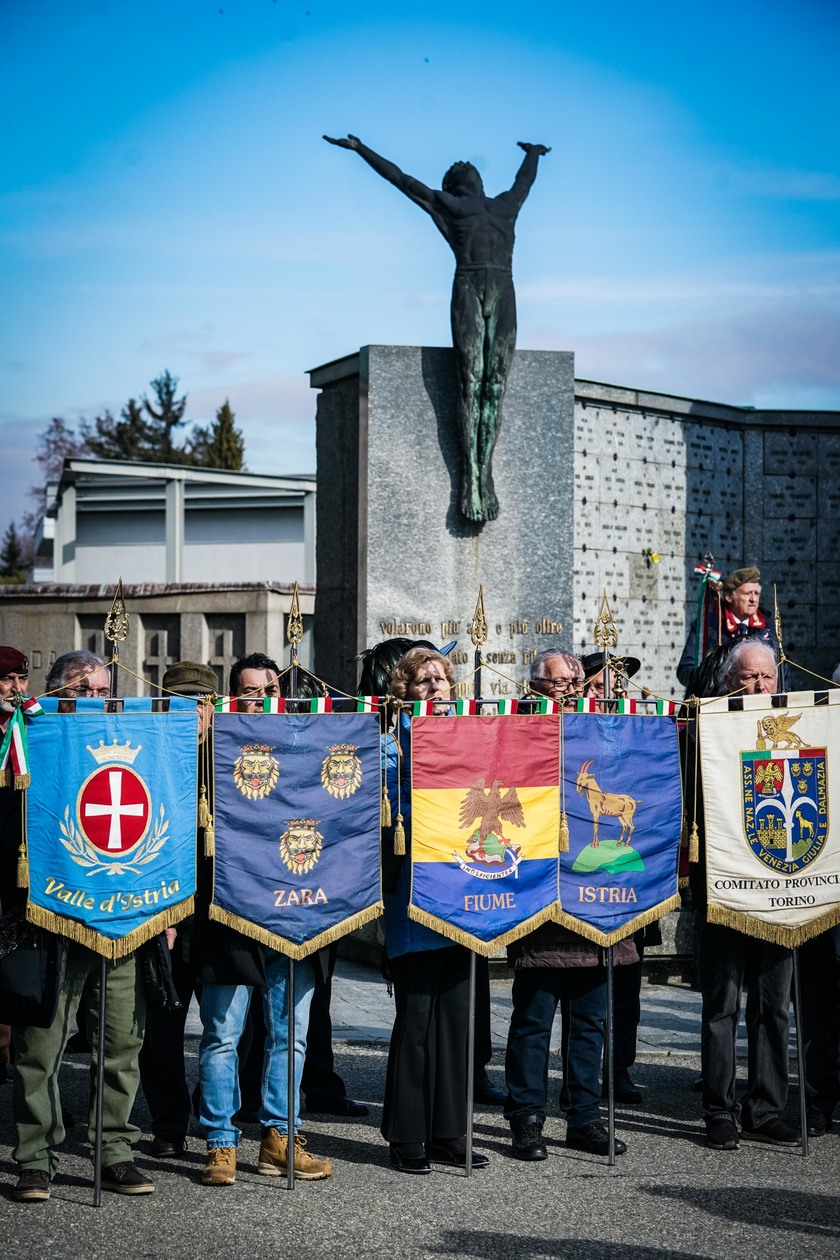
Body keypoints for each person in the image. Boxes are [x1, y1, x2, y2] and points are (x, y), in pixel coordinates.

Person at [324, 134, 549, 523]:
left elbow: (400, 178)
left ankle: (478, 477)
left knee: (474, 383)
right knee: (491, 387)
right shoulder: (504, 205)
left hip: (475, 288)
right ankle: (476, 479)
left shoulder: (454, 204)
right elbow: (525, 179)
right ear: (479, 183)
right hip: (499, 289)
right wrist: (532, 154)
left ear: (453, 186)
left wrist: (361, 149)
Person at [11, 651, 156, 1200]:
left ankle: (113, 1147)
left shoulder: (137, 746)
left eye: (101, 691)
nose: (94, 701)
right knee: (41, 1047)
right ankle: (35, 1158)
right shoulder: (32, 739)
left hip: (123, 916)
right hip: (53, 916)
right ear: (54, 693)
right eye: (81, 690)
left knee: (121, 1042)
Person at [194, 653, 331, 1186]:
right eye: (249, 691)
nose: (260, 699)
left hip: (297, 906)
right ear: (233, 696)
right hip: (231, 908)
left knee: (290, 1035)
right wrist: (201, 736)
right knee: (222, 1034)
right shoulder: (213, 745)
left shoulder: (307, 742)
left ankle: (279, 1135)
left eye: (269, 690)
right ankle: (220, 1142)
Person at [502, 648, 634, 1162]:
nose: (568, 691)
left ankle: (584, 1116)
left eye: (575, 683)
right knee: (534, 1020)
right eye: (556, 683)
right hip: (542, 898)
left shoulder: (607, 732)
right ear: (534, 685)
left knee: (591, 1022)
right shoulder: (519, 729)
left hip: (598, 897)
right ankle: (526, 1119)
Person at [380, 646, 490, 1173]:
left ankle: (450, 1131)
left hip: (466, 890)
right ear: (405, 692)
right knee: (418, 1017)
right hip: (416, 893)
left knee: (457, 1019)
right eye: (423, 682)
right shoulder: (390, 745)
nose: (436, 689)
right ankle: (406, 1135)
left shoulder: (472, 739)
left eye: (442, 681)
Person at [690, 638, 799, 1150]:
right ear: (728, 680)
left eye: (767, 677)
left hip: (782, 883)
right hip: (725, 885)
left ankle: (767, 1106)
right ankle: (720, 1109)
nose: (759, 686)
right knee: (722, 1005)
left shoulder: (799, 728)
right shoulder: (706, 727)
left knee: (774, 1006)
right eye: (748, 677)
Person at [139, 660, 217, 1158]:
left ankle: (208, 1110)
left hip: (220, 916)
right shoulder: (148, 757)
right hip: (163, 915)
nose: (191, 712)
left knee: (230, 1029)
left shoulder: (235, 758)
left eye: (199, 703)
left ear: (213, 707)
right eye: (180, 702)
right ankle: (169, 1124)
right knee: (161, 1028)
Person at [0, 645, 30, 1085]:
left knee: (14, 968)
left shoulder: (33, 727)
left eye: (22, 680)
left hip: (20, 868)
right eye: (7, 680)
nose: (17, 689)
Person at [677, 566, 779, 688]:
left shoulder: (767, 624)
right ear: (729, 597)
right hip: (719, 701)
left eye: (756, 593)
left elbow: (780, 668)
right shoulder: (709, 624)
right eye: (747, 593)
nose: (753, 599)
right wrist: (707, 679)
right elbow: (685, 670)